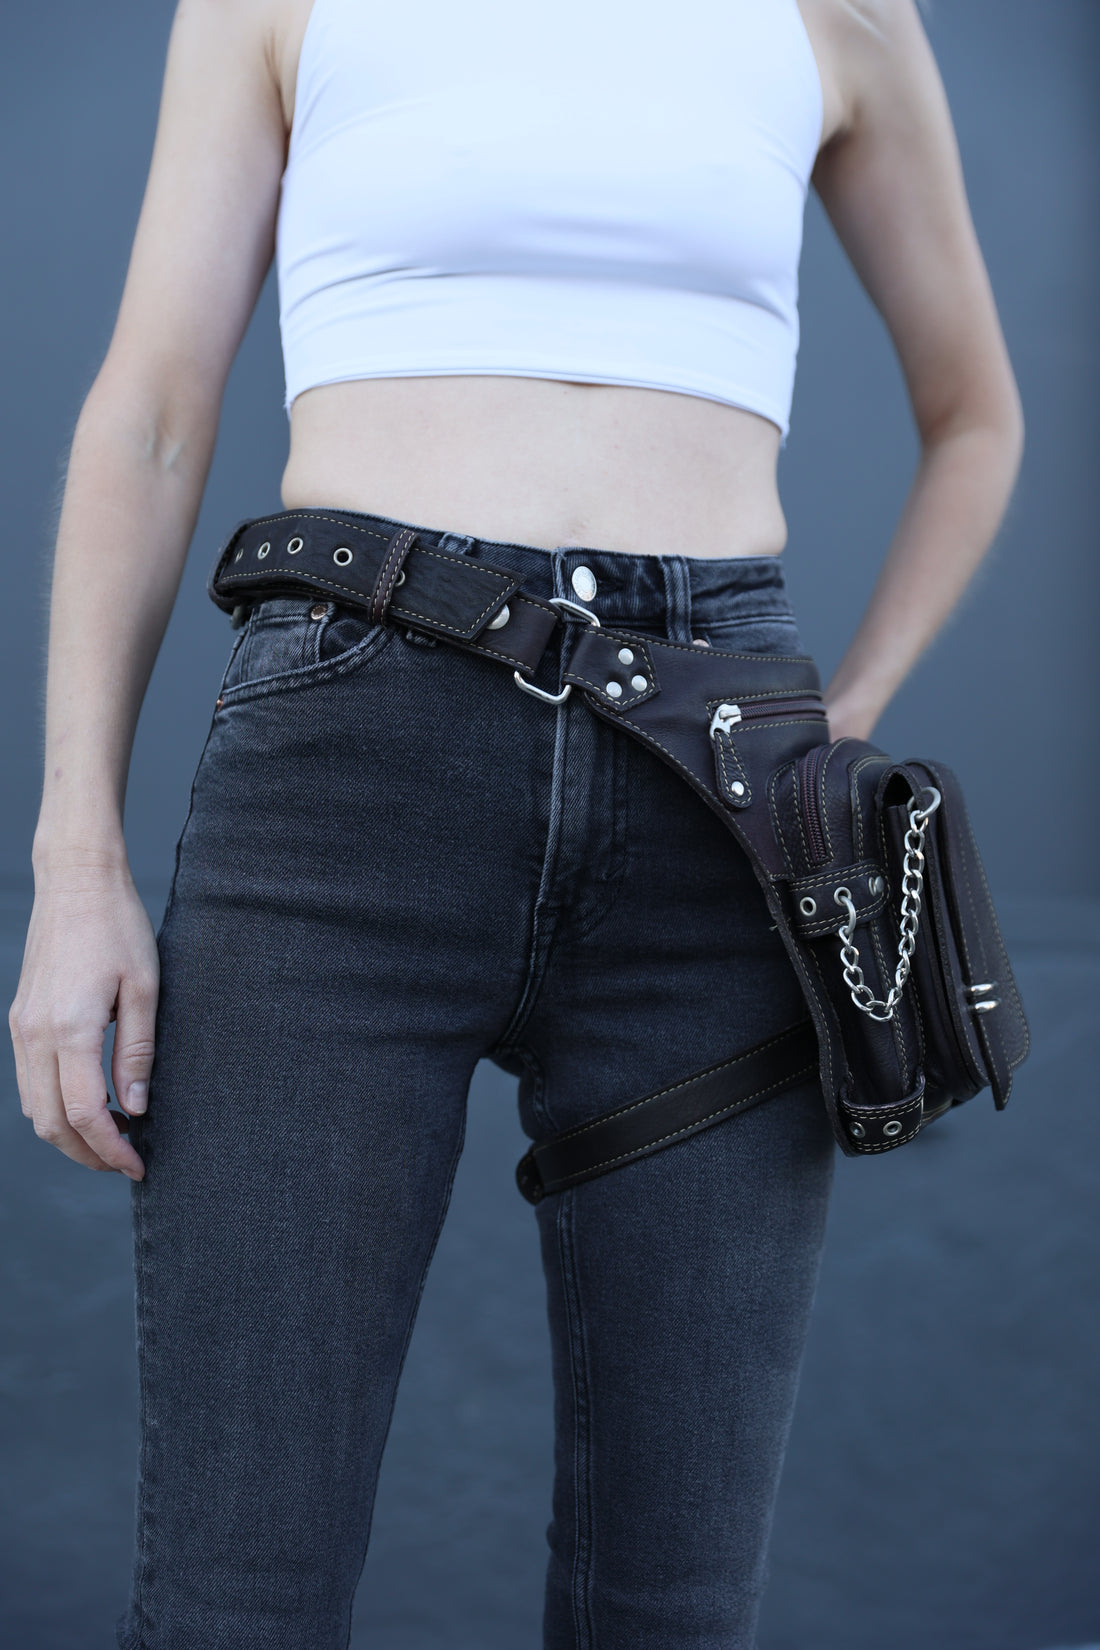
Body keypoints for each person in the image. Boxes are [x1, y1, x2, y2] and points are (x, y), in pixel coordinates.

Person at [9, 0, 1023, 1645]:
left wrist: (843, 719)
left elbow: (978, 410)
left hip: (721, 806)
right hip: (348, 771)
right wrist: (74, 864)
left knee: (674, 1609)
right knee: (234, 1598)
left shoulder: (843, 16)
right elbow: (153, 412)